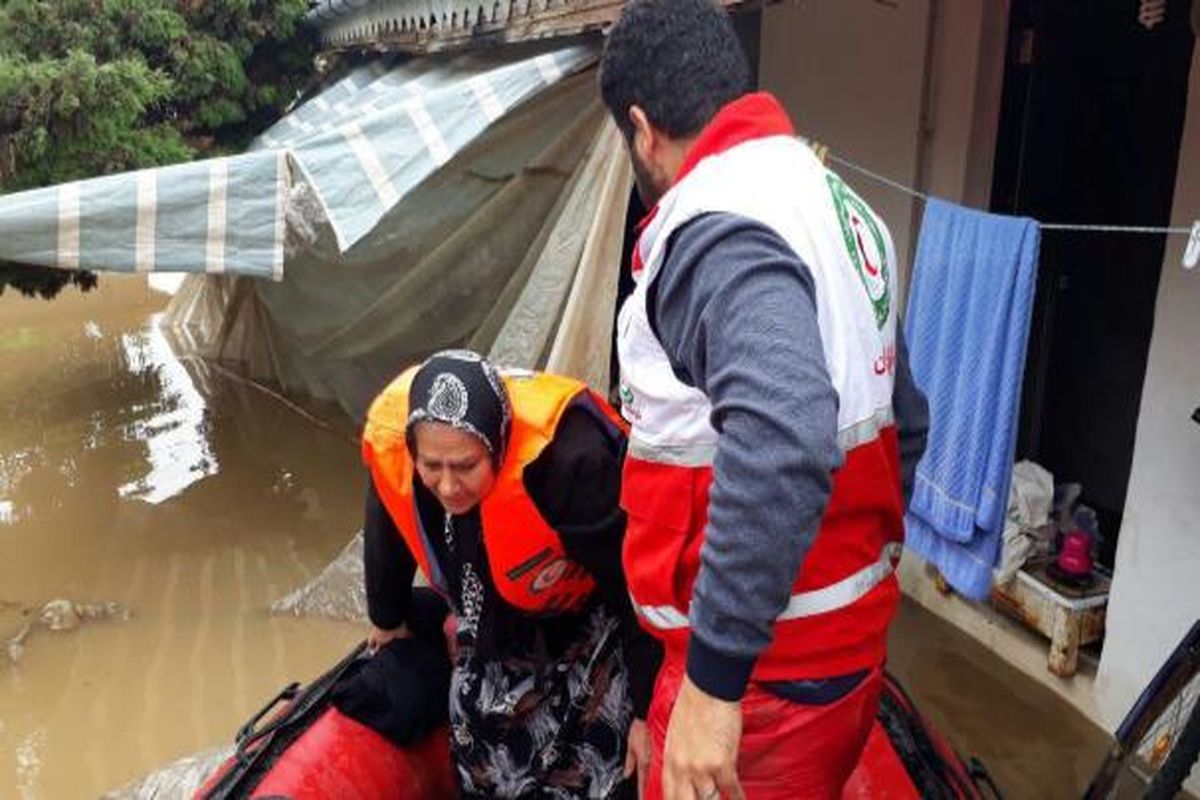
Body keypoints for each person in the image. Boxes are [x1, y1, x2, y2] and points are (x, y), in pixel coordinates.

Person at [599, 2, 931, 799]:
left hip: (758, 682)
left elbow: (783, 429)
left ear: (643, 129)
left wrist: (714, 689)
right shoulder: (840, 208)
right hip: (840, 662)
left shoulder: (712, 222)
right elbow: (906, 422)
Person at [359, 349, 661, 799]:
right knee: (477, 744)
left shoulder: (570, 463)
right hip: (489, 615)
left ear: (497, 446)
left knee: (600, 761)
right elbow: (388, 518)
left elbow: (635, 583)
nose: (446, 485)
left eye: (465, 466)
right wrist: (387, 618)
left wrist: (649, 711)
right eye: (432, 467)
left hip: (580, 623)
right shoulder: (400, 445)